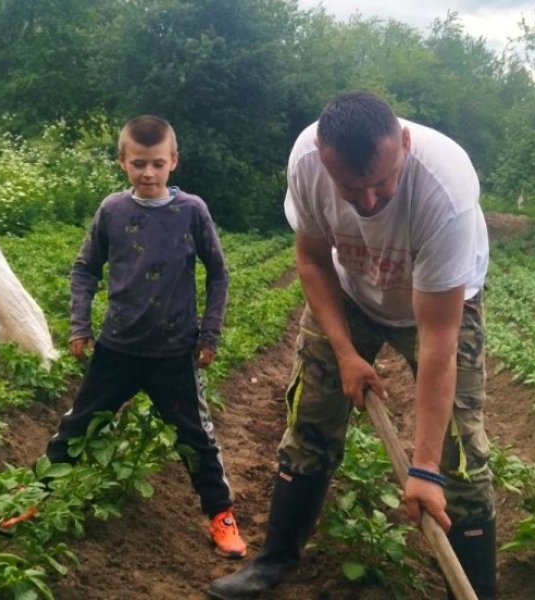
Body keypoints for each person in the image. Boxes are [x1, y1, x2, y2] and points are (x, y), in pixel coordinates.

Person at [209, 92, 495, 599]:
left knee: (461, 455)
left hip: (436, 307)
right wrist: (345, 354)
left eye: (382, 182)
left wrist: (423, 469)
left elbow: (439, 341)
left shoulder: (444, 190)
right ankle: (274, 562)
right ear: (324, 159)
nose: (368, 202)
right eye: (351, 187)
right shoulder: (306, 163)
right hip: (350, 294)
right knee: (310, 420)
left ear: (404, 143)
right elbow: (314, 260)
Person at [41, 115, 247, 559]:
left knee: (196, 439)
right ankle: (37, 497)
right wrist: (80, 325)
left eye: (157, 163)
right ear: (122, 162)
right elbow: (84, 269)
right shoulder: (112, 210)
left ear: (173, 161)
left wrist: (209, 333)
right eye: (138, 164)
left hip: (175, 352)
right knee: (77, 424)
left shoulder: (192, 211)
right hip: (117, 347)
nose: (148, 173)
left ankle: (221, 516)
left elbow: (219, 274)